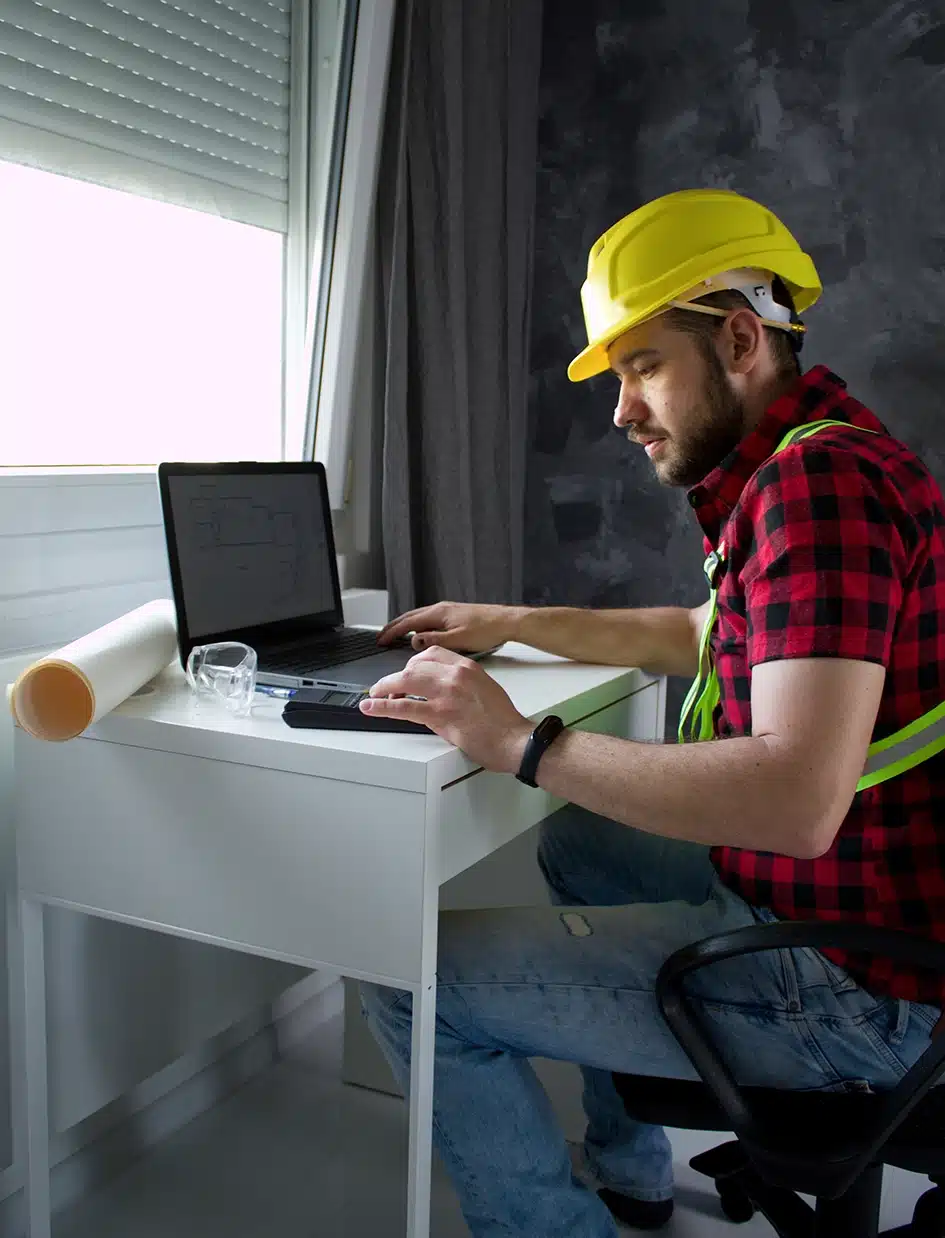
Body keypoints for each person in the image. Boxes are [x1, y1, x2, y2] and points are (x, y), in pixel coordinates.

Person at [358, 188, 945, 1236]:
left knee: (408, 975)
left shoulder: (820, 489)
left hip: (865, 988)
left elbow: (798, 799)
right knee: (586, 842)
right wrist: (514, 618)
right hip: (862, 916)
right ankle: (630, 1168)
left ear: (737, 337)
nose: (622, 410)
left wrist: (518, 740)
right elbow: (705, 632)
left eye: (642, 367)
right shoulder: (810, 457)